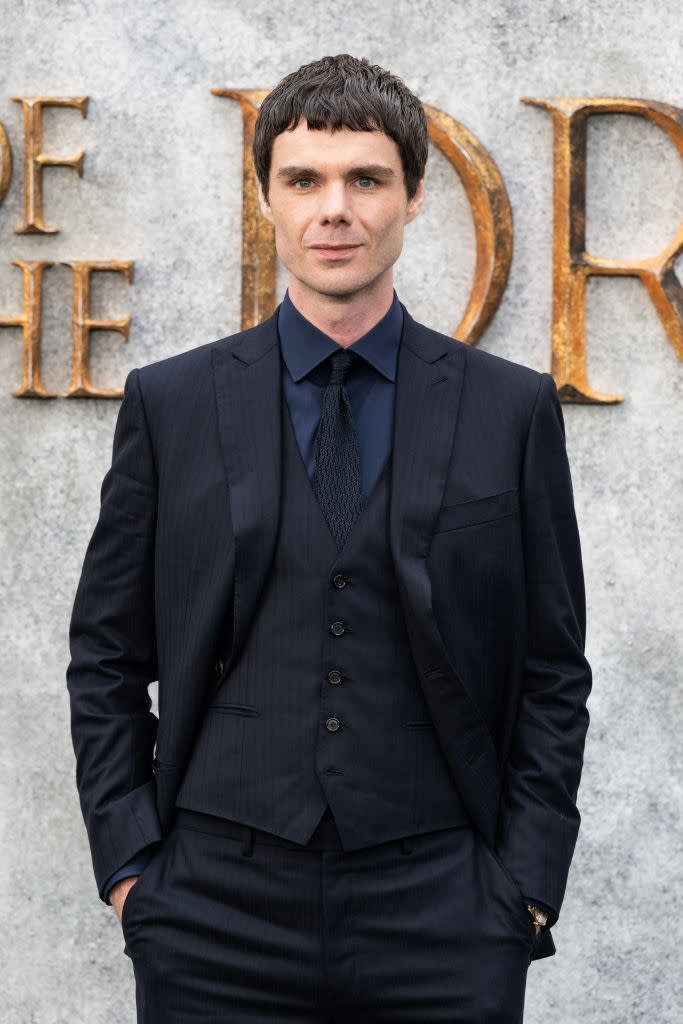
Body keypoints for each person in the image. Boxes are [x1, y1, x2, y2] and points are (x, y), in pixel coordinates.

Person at [67, 54, 591, 1023]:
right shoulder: (172, 403)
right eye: (303, 179)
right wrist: (133, 867)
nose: (333, 209)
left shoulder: (506, 410)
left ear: (415, 195)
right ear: (266, 195)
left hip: (440, 906)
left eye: (366, 178)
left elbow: (551, 669)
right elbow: (104, 652)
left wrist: (520, 884)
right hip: (212, 909)